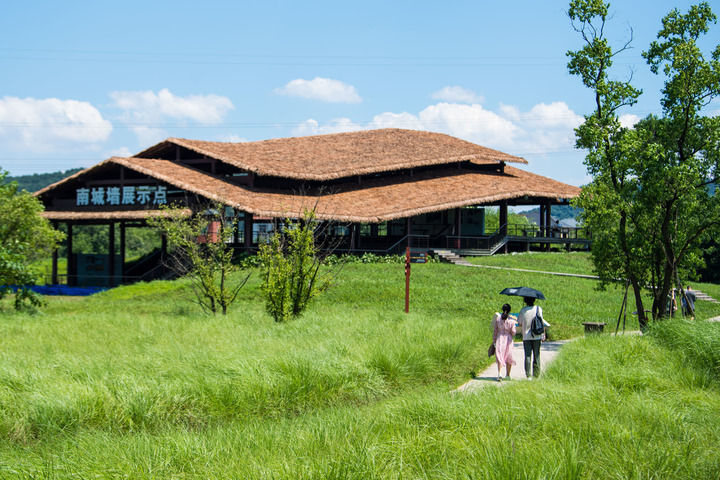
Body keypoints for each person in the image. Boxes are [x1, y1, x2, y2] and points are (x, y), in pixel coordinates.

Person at [518, 296, 543, 378]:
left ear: (525, 301)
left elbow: (519, 323)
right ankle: (536, 375)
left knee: (527, 356)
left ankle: (528, 375)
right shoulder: (538, 309)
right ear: (534, 300)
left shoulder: (523, 310)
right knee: (537, 355)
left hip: (526, 336)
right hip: (537, 336)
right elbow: (541, 321)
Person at [492, 303, 516, 382]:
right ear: (510, 310)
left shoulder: (498, 319)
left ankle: (499, 374)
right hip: (508, 340)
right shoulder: (511, 320)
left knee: (500, 356)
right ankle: (508, 375)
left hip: (499, 339)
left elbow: (495, 331)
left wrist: (494, 341)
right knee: (509, 356)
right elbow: (513, 332)